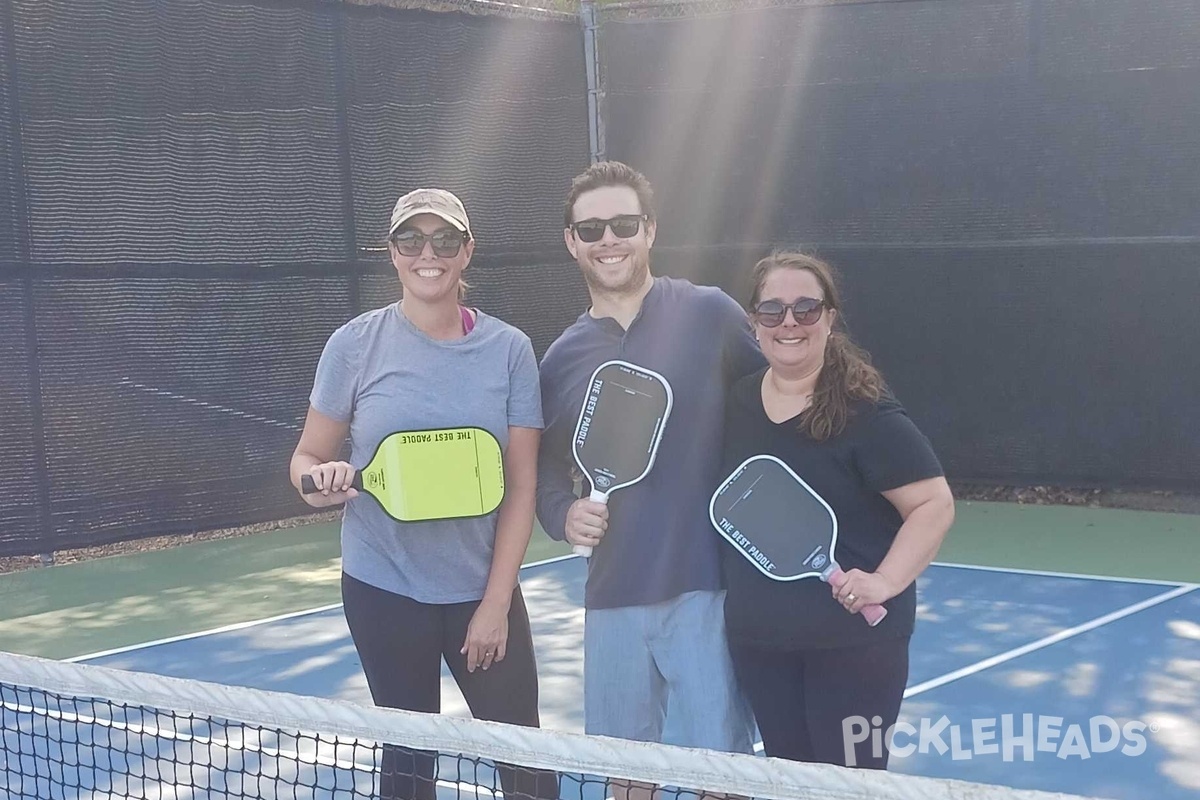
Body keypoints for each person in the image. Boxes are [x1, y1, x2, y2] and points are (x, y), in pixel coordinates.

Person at [289, 188, 557, 800]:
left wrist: (494, 604)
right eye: (412, 240)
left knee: (528, 764)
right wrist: (319, 483)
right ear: (392, 253)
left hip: (479, 591)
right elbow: (306, 459)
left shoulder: (509, 350)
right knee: (409, 765)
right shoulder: (353, 346)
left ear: (467, 253)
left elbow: (521, 484)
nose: (427, 253)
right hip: (383, 589)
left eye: (444, 240)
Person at [535, 161, 765, 761]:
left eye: (623, 223)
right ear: (571, 243)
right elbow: (542, 466)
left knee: (725, 771)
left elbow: (775, 407)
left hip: (706, 588)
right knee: (624, 775)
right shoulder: (561, 359)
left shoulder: (711, 314)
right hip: (611, 596)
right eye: (591, 229)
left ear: (650, 231)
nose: (608, 239)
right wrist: (562, 515)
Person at [716, 250, 955, 770]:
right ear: (754, 321)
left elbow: (933, 504)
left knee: (851, 787)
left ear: (829, 319)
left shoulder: (865, 411)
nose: (789, 323)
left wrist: (884, 581)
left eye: (805, 308)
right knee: (790, 780)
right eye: (772, 310)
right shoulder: (736, 403)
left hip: (856, 650)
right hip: (762, 646)